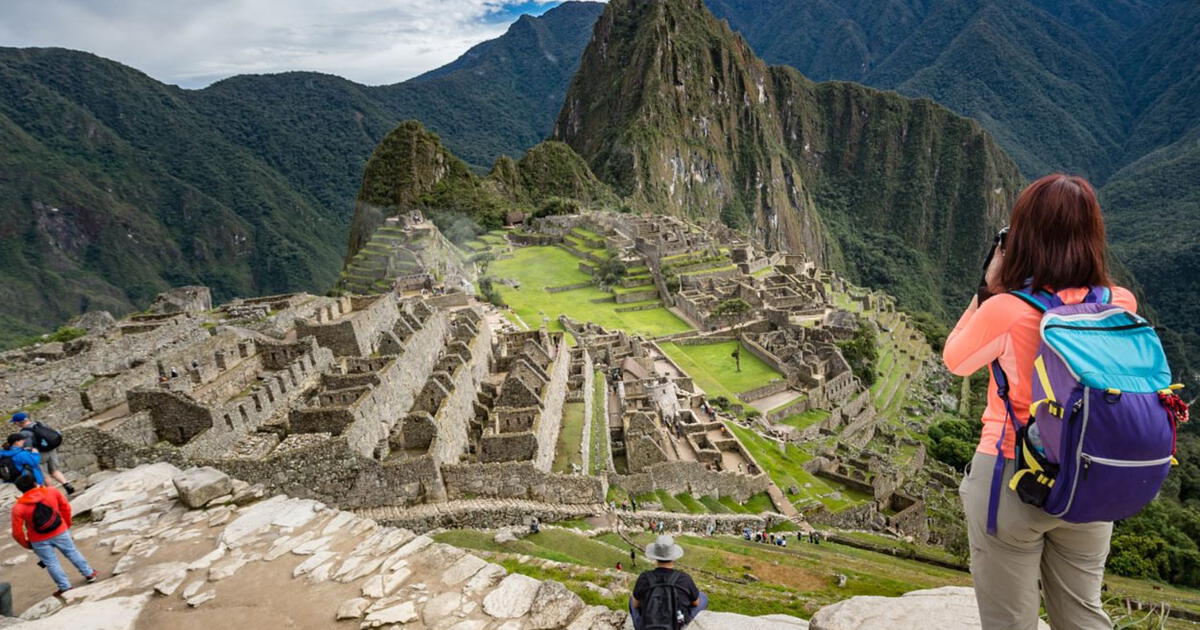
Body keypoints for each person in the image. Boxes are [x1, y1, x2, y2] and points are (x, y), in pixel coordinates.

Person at [943, 174, 1131, 630]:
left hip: (1012, 473)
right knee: (1084, 615)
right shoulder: (1120, 304)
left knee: (1011, 621)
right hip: (1090, 481)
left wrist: (989, 287)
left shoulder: (1008, 310)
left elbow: (956, 360)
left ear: (1022, 237)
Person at [10, 474, 97, 595]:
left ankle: (65, 587)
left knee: (51, 563)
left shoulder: (18, 508)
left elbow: (17, 532)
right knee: (72, 552)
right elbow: (65, 508)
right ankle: (89, 573)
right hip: (60, 530)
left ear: (20, 489)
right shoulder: (51, 491)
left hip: (38, 539)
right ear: (35, 483)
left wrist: (27, 544)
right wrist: (66, 524)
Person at [630, 535, 707, 629]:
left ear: (655, 556)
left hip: (648, 626)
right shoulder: (684, 578)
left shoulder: (644, 577)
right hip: (676, 625)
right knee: (702, 597)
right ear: (673, 556)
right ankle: (683, 624)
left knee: (632, 599)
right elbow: (696, 603)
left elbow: (635, 604)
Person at [10, 413, 72, 495]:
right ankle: (67, 485)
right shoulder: (40, 423)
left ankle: (53, 494)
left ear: (18, 422)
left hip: (40, 454)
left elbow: (28, 447)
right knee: (54, 470)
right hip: (51, 450)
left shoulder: (24, 433)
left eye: (15, 423)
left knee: (44, 474)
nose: (15, 424)